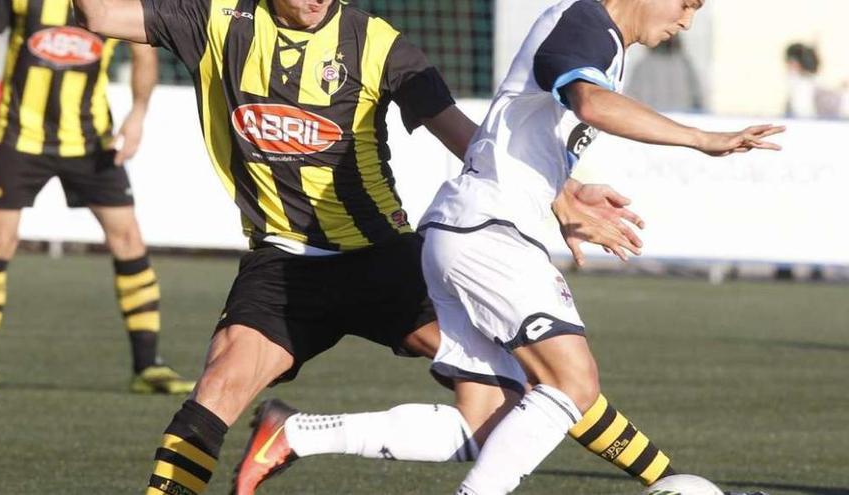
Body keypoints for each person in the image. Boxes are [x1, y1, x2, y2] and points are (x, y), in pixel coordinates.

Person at [71, 0, 664, 493]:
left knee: (533, 380)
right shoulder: (218, 21)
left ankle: (662, 479)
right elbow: (96, 13)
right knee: (218, 387)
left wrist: (561, 194)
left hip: (384, 259)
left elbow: (459, 129)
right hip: (284, 265)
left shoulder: (376, 42)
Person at [244, 0, 784, 494]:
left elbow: (521, 134)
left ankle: (296, 434)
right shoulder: (587, 22)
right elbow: (591, 104)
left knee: (485, 421)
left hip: (468, 232)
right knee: (573, 383)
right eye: (686, 3)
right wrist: (702, 139)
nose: (686, 20)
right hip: (487, 235)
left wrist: (562, 201)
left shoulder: (600, 42)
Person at [0, 0, 195, 395]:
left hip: (92, 140)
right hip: (19, 136)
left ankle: (148, 366)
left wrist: (139, 113)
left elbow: (143, 52)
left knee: (128, 239)